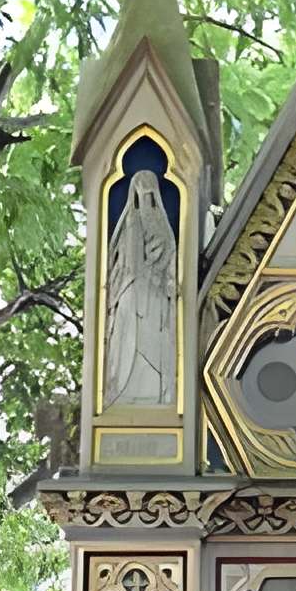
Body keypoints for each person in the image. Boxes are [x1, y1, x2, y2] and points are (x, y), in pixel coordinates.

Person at [103, 167, 179, 409]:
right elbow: (123, 262)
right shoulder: (130, 222)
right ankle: (126, 392)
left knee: (152, 340)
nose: (145, 196)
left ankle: (154, 392)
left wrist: (162, 276)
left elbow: (168, 254)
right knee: (127, 340)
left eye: (149, 192)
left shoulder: (159, 220)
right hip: (131, 288)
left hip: (154, 292)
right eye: (141, 191)